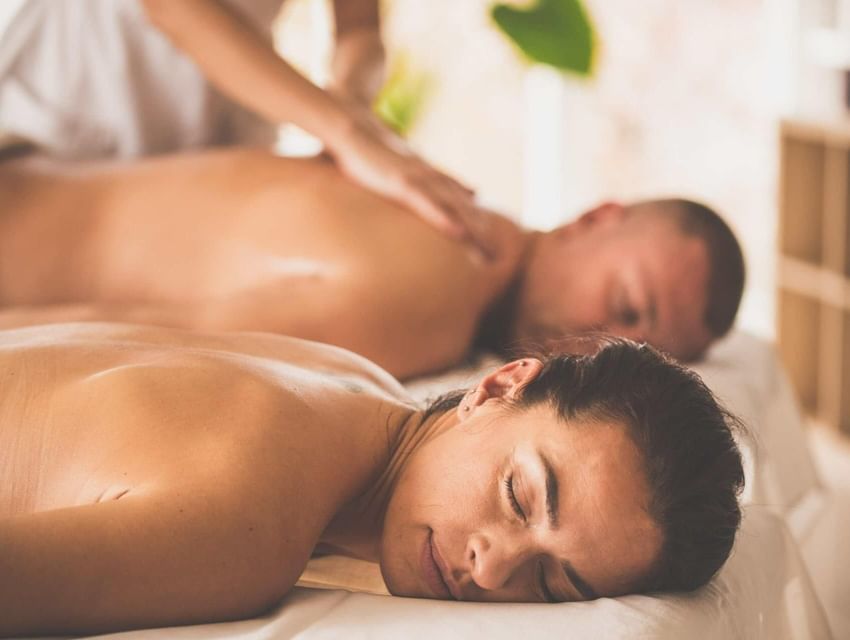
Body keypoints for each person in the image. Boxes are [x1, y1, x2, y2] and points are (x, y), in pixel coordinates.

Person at [0, 322, 744, 637]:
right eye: (518, 497)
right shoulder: (252, 525)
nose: (492, 567)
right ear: (495, 388)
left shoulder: (354, 380)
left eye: (549, 585)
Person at [0, 148, 745, 378]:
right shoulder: (432, 301)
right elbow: (117, 341)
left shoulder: (430, 192)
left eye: (631, 350)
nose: (599, 343)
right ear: (593, 219)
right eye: (627, 303)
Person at [0, 0, 494, 254]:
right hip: (83, 76)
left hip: (226, 101)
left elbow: (361, 30)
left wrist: (352, 103)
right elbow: (172, 8)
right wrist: (348, 133)